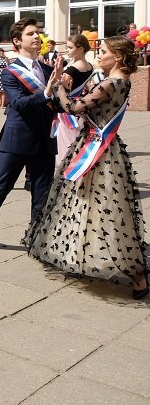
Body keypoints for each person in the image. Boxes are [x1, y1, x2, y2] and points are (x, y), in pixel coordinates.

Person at [25, 36, 148, 300]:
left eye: (102, 52)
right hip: (96, 146)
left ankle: (137, 276)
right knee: (93, 206)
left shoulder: (112, 83)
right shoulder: (115, 81)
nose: (98, 56)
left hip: (100, 152)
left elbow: (73, 107)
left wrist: (58, 85)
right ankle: (87, 257)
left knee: (106, 210)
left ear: (117, 56)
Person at [0, 18, 62, 252]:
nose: (37, 37)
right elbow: (20, 104)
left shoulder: (47, 69)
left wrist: (70, 94)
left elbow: (59, 104)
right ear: (17, 41)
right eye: (31, 34)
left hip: (44, 139)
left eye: (38, 33)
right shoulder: (10, 72)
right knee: (1, 186)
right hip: (17, 139)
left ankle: (35, 236)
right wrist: (46, 91)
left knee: (42, 191)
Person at [53, 34, 95, 168]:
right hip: (81, 106)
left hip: (68, 109)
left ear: (80, 49)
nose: (67, 50)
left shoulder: (72, 69)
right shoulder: (89, 66)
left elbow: (62, 89)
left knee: (66, 142)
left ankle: (66, 171)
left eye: (70, 47)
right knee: (79, 140)